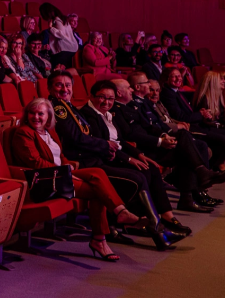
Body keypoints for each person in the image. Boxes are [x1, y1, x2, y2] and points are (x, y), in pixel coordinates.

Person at [49, 73, 180, 250]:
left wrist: (127, 152)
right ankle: (155, 228)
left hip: (95, 158)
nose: (65, 89)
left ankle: (157, 225)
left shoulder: (69, 106)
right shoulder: (59, 108)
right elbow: (76, 138)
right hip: (83, 162)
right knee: (138, 177)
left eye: (68, 85)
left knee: (146, 171)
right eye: (59, 85)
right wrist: (106, 147)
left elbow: (110, 139)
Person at [9, 99, 145, 261]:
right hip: (45, 180)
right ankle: (103, 236)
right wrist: (64, 172)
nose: (36, 117)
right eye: (32, 113)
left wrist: (67, 167)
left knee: (97, 172)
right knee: (97, 192)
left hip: (60, 174)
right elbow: (35, 163)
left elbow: (61, 156)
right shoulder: (24, 133)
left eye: (40, 114)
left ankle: (118, 215)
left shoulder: (49, 132)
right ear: (27, 115)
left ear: (48, 116)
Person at [113, 76, 222, 213]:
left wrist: (164, 135)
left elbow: (149, 126)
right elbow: (131, 135)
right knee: (186, 148)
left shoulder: (131, 106)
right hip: (142, 148)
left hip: (152, 143)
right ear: (119, 93)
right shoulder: (116, 110)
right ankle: (196, 185)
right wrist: (159, 142)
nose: (131, 90)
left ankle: (192, 192)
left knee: (189, 144)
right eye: (128, 88)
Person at [161, 67, 225, 170]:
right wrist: (201, 114)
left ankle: (221, 163)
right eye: (174, 76)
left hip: (197, 124)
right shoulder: (167, 94)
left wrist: (202, 114)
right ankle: (213, 167)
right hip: (190, 127)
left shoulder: (176, 92)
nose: (178, 78)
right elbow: (181, 117)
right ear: (166, 79)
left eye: (179, 76)